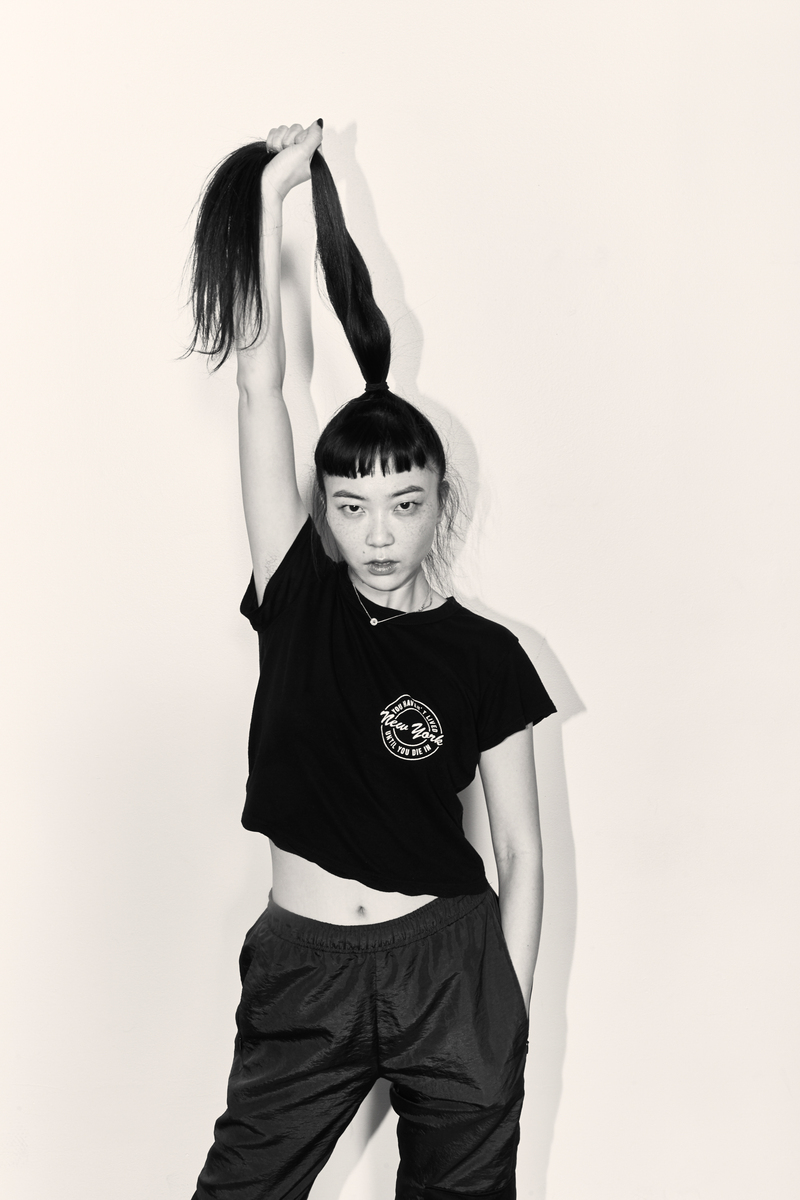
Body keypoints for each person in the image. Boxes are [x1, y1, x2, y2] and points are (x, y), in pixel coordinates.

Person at [186, 119, 556, 1200]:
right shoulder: (298, 596)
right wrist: (269, 201)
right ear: (324, 511)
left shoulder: (489, 655)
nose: (379, 532)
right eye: (351, 506)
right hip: (305, 967)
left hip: (449, 964)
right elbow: (261, 392)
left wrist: (503, 1010)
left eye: (404, 502)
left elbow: (522, 854)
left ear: (441, 502)